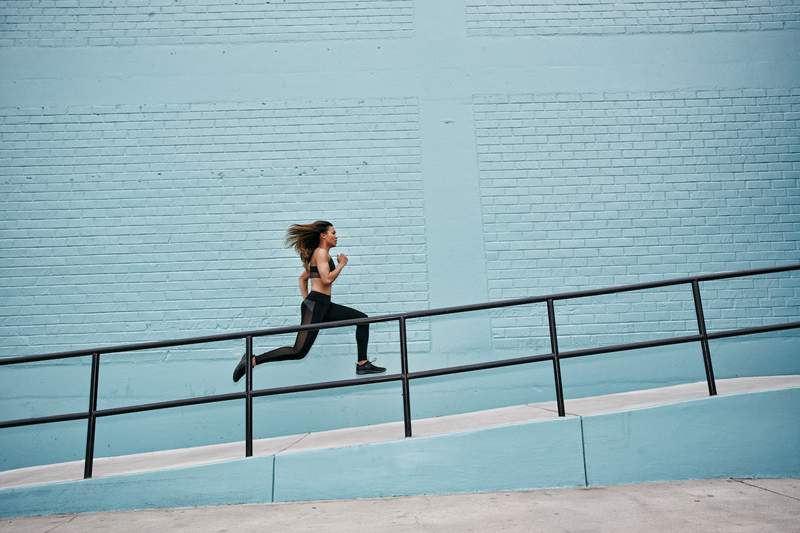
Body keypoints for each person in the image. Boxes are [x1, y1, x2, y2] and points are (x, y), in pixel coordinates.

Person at [233, 220, 385, 382]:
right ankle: (252, 360)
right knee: (298, 351)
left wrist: (307, 300)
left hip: (322, 305)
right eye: (333, 233)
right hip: (317, 304)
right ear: (323, 235)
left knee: (362, 319)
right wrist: (342, 265)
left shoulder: (320, 255)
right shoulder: (320, 253)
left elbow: (303, 278)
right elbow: (326, 280)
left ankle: (362, 363)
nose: (336, 236)